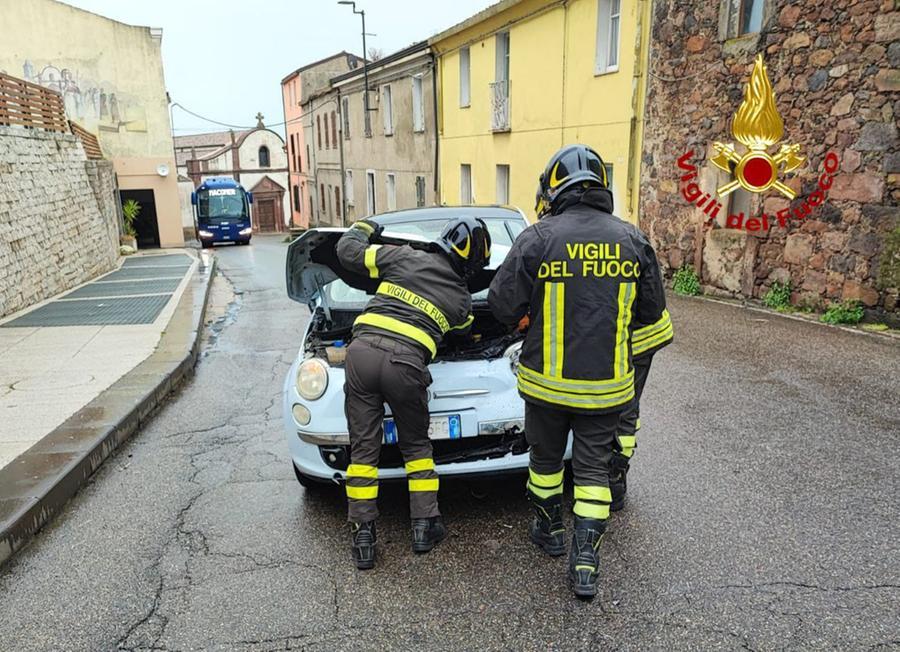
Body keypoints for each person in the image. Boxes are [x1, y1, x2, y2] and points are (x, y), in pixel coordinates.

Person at [488, 144, 672, 598]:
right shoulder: (633, 240)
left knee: (546, 464)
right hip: (606, 391)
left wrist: (528, 314)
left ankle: (549, 531)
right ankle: (585, 562)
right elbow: (653, 317)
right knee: (591, 472)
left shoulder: (538, 238)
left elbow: (500, 303)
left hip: (545, 388)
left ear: (554, 188)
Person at [335, 215, 492, 570]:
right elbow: (465, 332)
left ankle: (363, 536)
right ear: (471, 265)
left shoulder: (402, 256)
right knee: (417, 448)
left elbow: (347, 251)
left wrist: (365, 226)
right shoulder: (461, 299)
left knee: (363, 450)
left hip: (359, 355)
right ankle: (424, 526)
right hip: (405, 366)